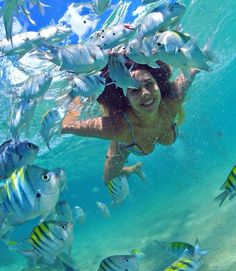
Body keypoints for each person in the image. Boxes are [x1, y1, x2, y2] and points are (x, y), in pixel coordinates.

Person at [61, 52, 198, 185]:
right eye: (134, 89)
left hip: (135, 136)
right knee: (108, 179)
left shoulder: (173, 98)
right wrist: (76, 94)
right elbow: (65, 125)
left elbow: (194, 66)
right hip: (125, 142)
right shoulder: (118, 127)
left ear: (158, 83)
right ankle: (130, 169)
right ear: (126, 97)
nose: (145, 93)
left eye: (149, 84)